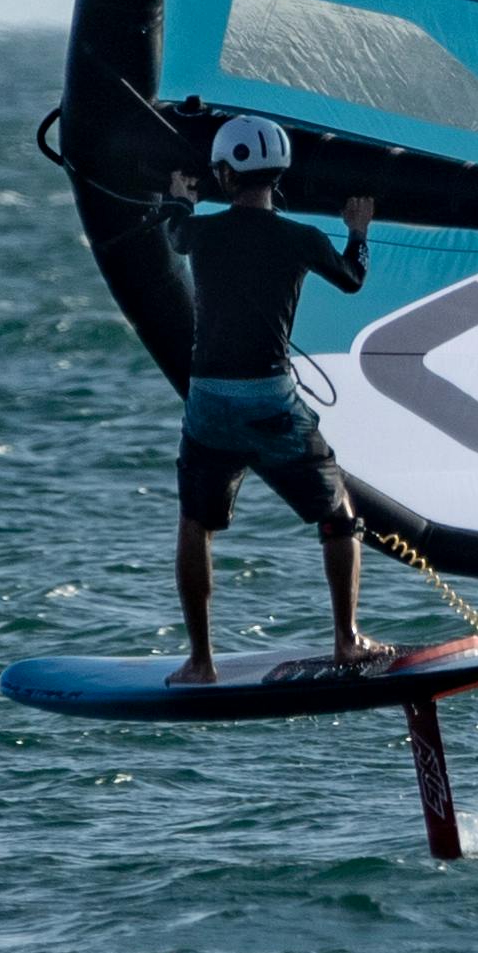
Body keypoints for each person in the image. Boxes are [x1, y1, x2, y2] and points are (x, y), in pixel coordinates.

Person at [166, 110, 378, 680]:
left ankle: (200, 662)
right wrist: (358, 230)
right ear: (278, 174)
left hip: (210, 399)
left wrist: (179, 199)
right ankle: (347, 641)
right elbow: (353, 278)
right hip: (271, 400)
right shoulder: (301, 238)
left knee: (195, 522)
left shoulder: (202, 233)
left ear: (225, 176)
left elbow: (176, 233)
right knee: (338, 514)